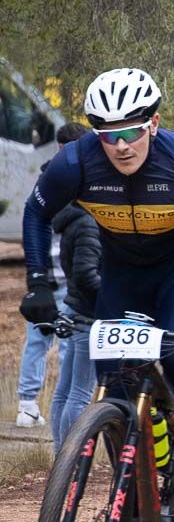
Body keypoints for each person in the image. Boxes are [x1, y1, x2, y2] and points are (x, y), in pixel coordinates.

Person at [22, 68, 174, 512]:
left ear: (153, 123)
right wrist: (38, 282)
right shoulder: (75, 163)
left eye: (132, 131)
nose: (121, 145)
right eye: (108, 135)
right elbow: (35, 214)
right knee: (114, 381)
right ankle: (136, 494)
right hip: (125, 271)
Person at [39, 123, 98, 447]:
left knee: (66, 388)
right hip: (87, 314)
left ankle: (63, 454)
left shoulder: (70, 218)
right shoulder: (88, 224)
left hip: (75, 307)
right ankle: (70, 457)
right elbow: (89, 275)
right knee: (80, 391)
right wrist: (112, 294)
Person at [14, 125, 77, 427]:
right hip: (65, 278)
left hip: (46, 275)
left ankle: (27, 405)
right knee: (65, 346)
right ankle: (57, 406)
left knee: (38, 342)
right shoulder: (77, 181)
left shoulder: (45, 180)